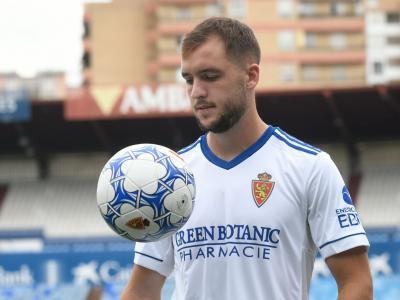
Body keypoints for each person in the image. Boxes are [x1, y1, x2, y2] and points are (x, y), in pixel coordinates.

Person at [121, 17, 373, 300]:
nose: (196, 92)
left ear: (251, 76)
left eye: (210, 76)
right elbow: (141, 290)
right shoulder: (170, 176)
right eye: (189, 79)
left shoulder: (310, 167)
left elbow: (356, 282)